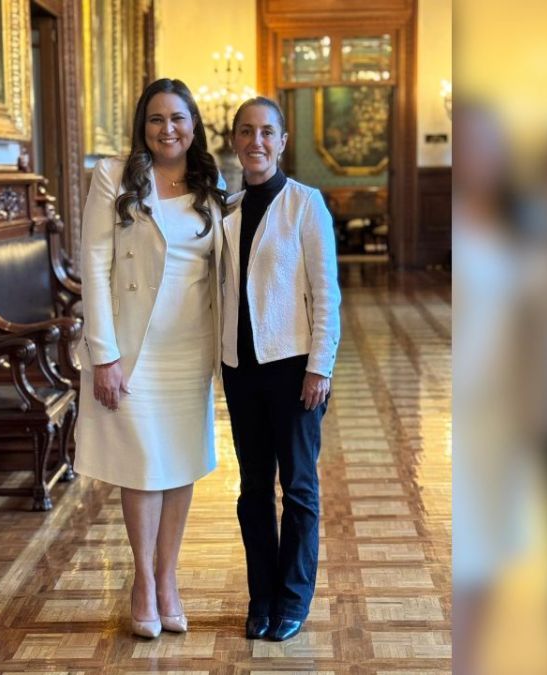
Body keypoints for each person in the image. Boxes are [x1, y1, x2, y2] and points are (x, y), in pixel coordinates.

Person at [75, 78, 227, 638]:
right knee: (142, 466)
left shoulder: (212, 186)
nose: (169, 129)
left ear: (194, 126)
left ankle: (169, 580)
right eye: (157, 119)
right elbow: (93, 264)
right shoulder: (114, 177)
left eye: (179, 119)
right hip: (132, 350)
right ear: (144, 125)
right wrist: (103, 354)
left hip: (189, 350)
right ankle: (143, 581)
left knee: (179, 462)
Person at [219, 96, 341, 642]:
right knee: (251, 491)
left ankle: (292, 599)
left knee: (297, 488)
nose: (256, 142)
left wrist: (321, 367)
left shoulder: (306, 204)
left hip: (294, 371)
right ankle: (261, 596)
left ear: (283, 140)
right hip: (240, 368)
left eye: (266, 132)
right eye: (246, 132)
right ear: (235, 140)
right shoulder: (226, 209)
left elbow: (327, 294)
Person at [451, 102, 544, 675]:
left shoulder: (526, 225)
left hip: (506, 418)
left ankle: (473, 659)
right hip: (463, 411)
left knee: (488, 555)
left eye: (486, 144)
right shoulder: (457, 227)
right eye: (466, 145)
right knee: (465, 550)